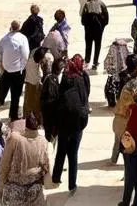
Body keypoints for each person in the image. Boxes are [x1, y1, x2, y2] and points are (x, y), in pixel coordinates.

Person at [52, 55, 90, 194]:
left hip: (63, 124)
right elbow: (84, 100)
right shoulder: (80, 80)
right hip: (76, 126)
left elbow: (58, 99)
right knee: (73, 156)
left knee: (61, 151)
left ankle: (56, 177)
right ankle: (72, 185)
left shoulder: (65, 79)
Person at [0, 112, 51, 205]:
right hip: (35, 190)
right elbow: (45, 164)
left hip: (15, 189)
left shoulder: (15, 139)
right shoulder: (43, 141)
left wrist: (1, 184)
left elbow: (5, 164)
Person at [0, 21, 31, 121]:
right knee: (15, 95)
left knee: (3, 85)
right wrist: (23, 67)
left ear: (11, 27)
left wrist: (1, 64)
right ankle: (13, 115)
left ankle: (1, 100)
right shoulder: (22, 38)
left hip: (6, 69)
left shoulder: (4, 39)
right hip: (17, 71)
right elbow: (25, 55)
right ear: (19, 28)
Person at [80, 0, 110, 71]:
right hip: (97, 28)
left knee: (89, 45)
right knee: (97, 45)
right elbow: (106, 16)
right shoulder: (101, 4)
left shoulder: (87, 4)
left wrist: (85, 24)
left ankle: (88, 61)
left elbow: (83, 18)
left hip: (89, 28)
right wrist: (103, 25)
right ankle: (94, 62)